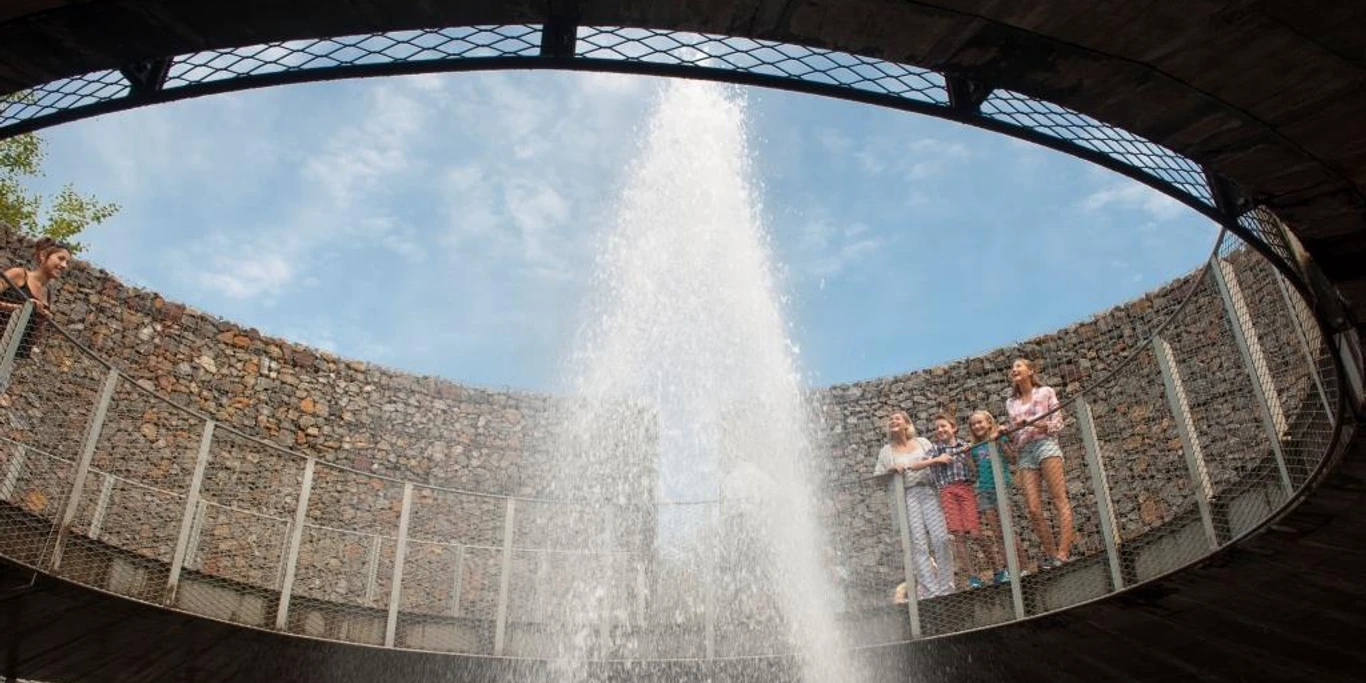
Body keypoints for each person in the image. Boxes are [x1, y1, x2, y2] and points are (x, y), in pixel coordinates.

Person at [875, 411, 954, 599]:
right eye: (890, 419)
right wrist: (890, 470)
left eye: (897, 418)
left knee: (941, 538)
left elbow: (940, 459)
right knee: (917, 544)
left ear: (906, 424)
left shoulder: (922, 442)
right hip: (907, 496)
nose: (893, 421)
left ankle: (946, 587)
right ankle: (930, 591)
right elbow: (878, 478)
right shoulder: (886, 451)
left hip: (928, 492)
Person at [1004, 358, 1075, 569]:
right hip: (1025, 451)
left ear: (1030, 370)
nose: (1014, 369)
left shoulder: (1046, 392)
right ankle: (1052, 555)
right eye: (1012, 367)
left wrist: (1034, 423)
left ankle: (1062, 553)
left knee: (1058, 498)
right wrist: (1008, 431)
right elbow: (1016, 434)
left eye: (1019, 366)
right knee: (1033, 508)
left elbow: (1057, 424)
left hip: (1046, 444)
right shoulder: (1010, 403)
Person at [927, 414, 994, 589]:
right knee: (958, 536)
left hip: (965, 488)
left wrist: (967, 456)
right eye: (937, 428)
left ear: (954, 427)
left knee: (975, 533)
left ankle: (997, 569)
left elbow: (974, 470)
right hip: (947, 491)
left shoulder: (965, 446)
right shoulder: (935, 449)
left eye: (944, 426)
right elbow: (919, 464)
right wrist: (937, 460)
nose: (940, 430)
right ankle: (973, 577)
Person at [966, 409, 1023, 584]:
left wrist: (1000, 441)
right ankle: (1008, 570)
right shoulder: (975, 448)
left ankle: (1022, 567)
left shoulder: (999, 437)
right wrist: (968, 456)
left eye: (980, 422)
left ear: (989, 423)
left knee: (1008, 530)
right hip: (985, 490)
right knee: (998, 534)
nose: (977, 426)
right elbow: (975, 472)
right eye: (973, 424)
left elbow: (1012, 459)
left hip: (1001, 486)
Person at [0, 237, 71, 359]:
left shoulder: (47, 295)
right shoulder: (19, 274)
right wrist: (22, 309)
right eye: (61, 258)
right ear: (43, 255)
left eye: (67, 262)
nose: (64, 265)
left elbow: (31, 338)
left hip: (8, 356)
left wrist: (41, 320)